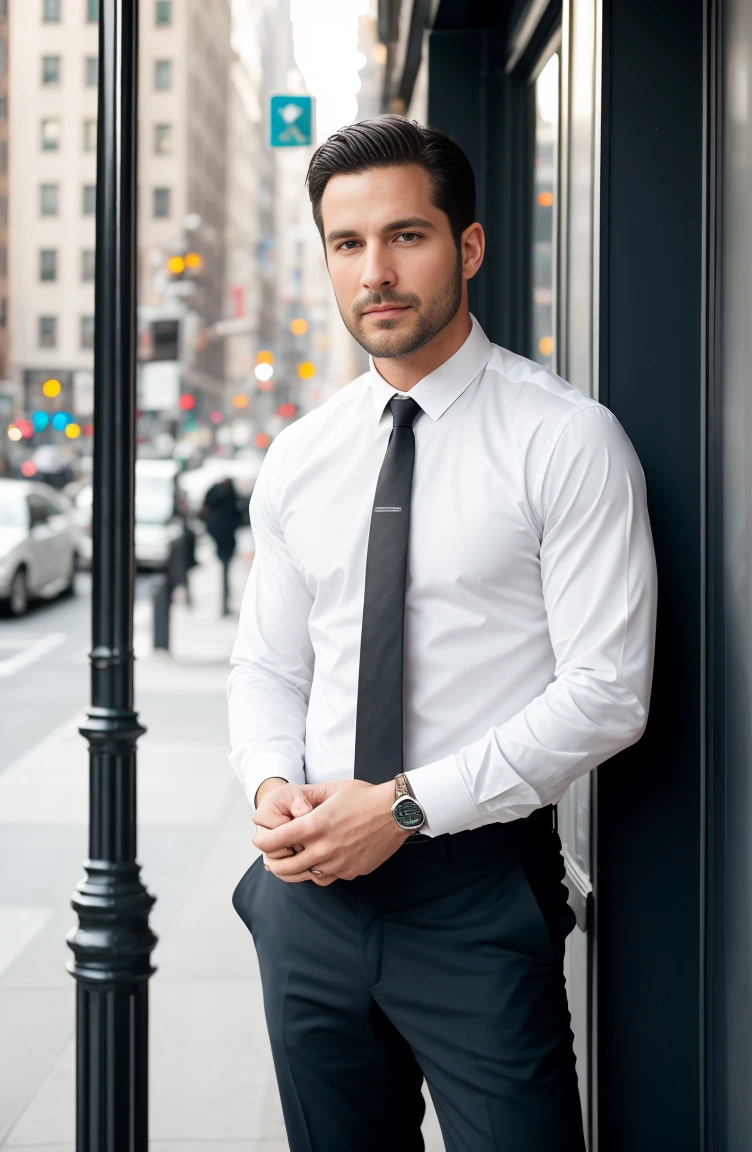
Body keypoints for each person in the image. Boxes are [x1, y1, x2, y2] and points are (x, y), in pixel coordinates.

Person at [228, 116, 657, 1152]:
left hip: (472, 897)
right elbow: (268, 663)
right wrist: (269, 784)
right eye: (346, 243)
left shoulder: (563, 439)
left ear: (465, 247)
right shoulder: (299, 456)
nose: (373, 271)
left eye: (404, 236)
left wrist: (407, 807)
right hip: (307, 904)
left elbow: (607, 690)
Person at [202, 476, 240, 616]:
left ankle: (225, 604)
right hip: (227, 537)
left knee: (225, 569)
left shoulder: (214, 493)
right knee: (226, 569)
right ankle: (225, 605)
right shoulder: (229, 494)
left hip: (220, 536)